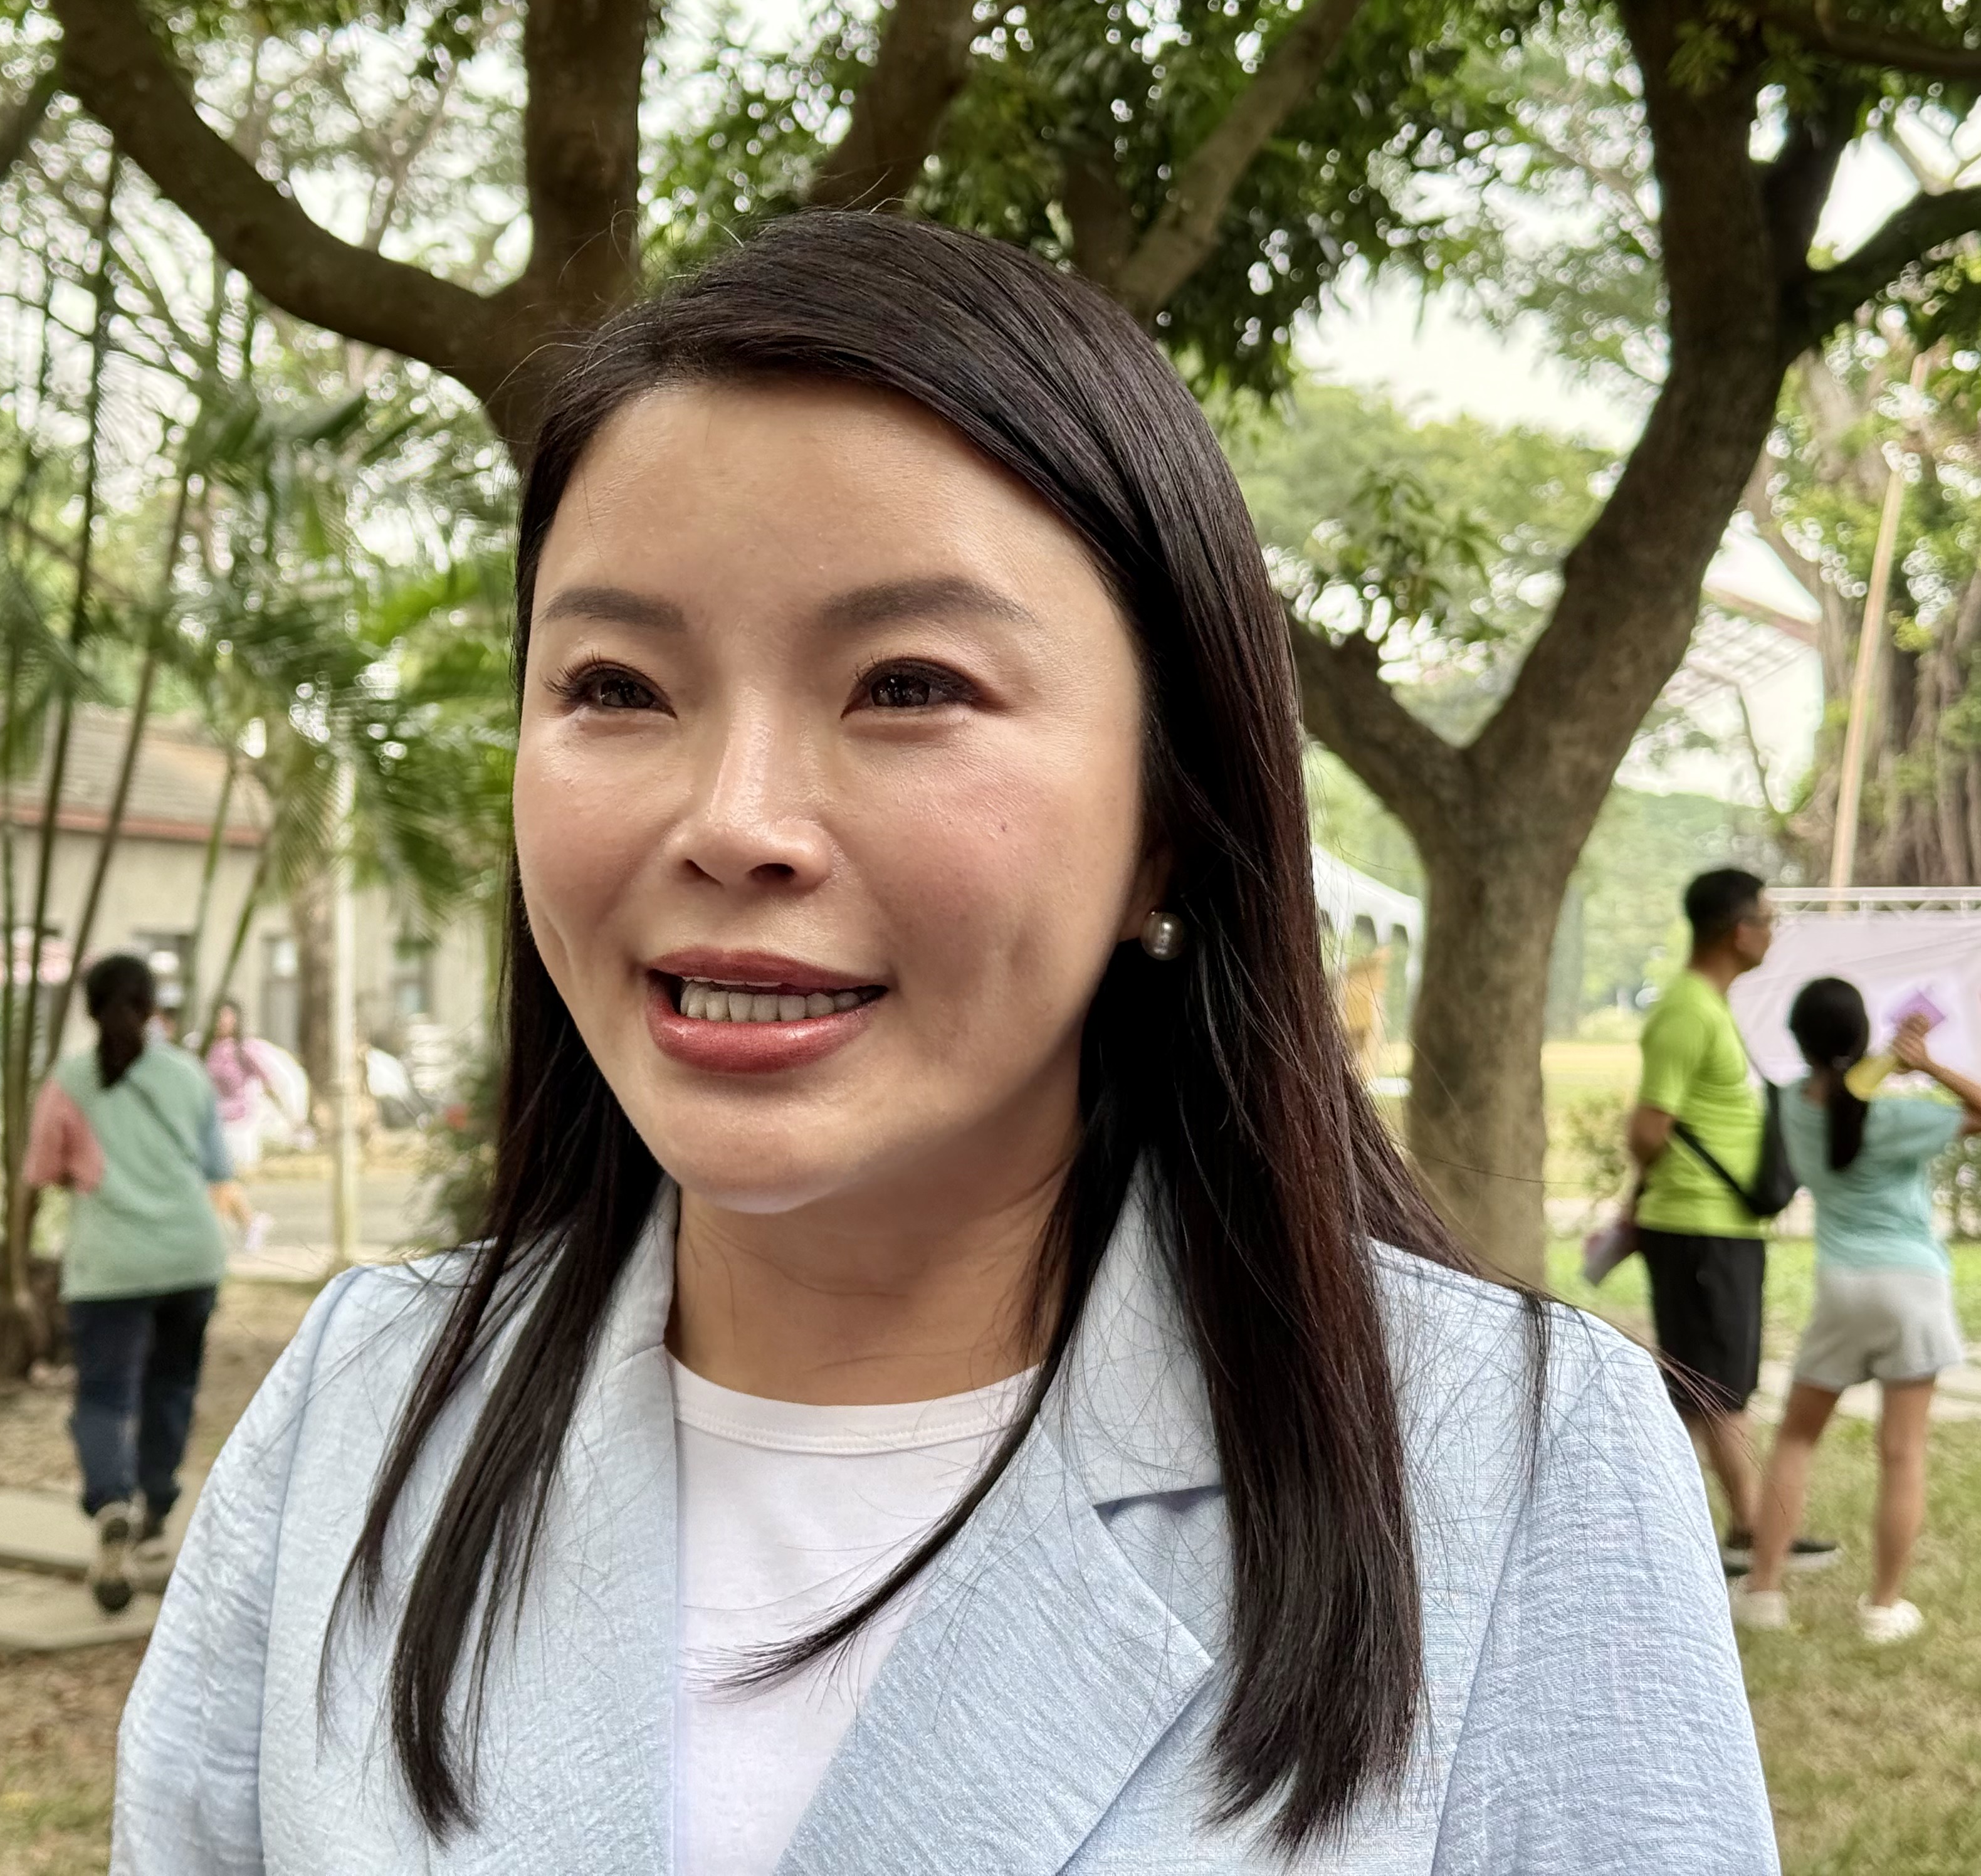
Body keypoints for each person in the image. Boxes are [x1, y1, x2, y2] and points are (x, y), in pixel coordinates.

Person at [115, 213, 1773, 1872]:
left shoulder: (1506, 1467)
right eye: (616, 685)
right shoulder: (366, 1409)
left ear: (1168, 819)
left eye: (907, 685)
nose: (734, 823)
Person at [1734, 984, 1981, 1641]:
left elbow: (1839, 1097)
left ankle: (1765, 1591)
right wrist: (1923, 1062)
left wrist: (1885, 1064)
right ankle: (1884, 1609)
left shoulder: (1793, 1105)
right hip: (1913, 1287)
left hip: (1842, 1286)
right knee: (1902, 1453)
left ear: (1799, 1039)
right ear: (1863, 1037)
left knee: (1797, 1438)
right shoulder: (1894, 1119)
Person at [1626, 867, 1838, 1577]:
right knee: (1715, 1385)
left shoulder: (1708, 1005)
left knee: (1709, 1386)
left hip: (1720, 1229)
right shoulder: (1688, 1011)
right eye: (1768, 920)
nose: (1773, 933)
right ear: (1737, 931)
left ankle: (1689, 1528)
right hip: (1699, 1230)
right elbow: (1648, 1129)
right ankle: (1750, 1529)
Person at [26, 952, 251, 1613]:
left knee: (104, 1395)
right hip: (191, 1258)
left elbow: (41, 1174)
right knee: (171, 1385)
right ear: (153, 1007)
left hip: (109, 1268)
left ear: (90, 1010)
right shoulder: (186, 1074)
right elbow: (217, 1167)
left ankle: (111, 1501)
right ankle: (155, 1508)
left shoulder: (69, 1082)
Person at [201, 999, 273, 1175]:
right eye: (219, 1017)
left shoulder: (244, 1050)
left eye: (227, 1017)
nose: (222, 1021)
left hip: (238, 1123)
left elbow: (267, 1079)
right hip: (212, 1122)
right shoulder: (205, 1049)